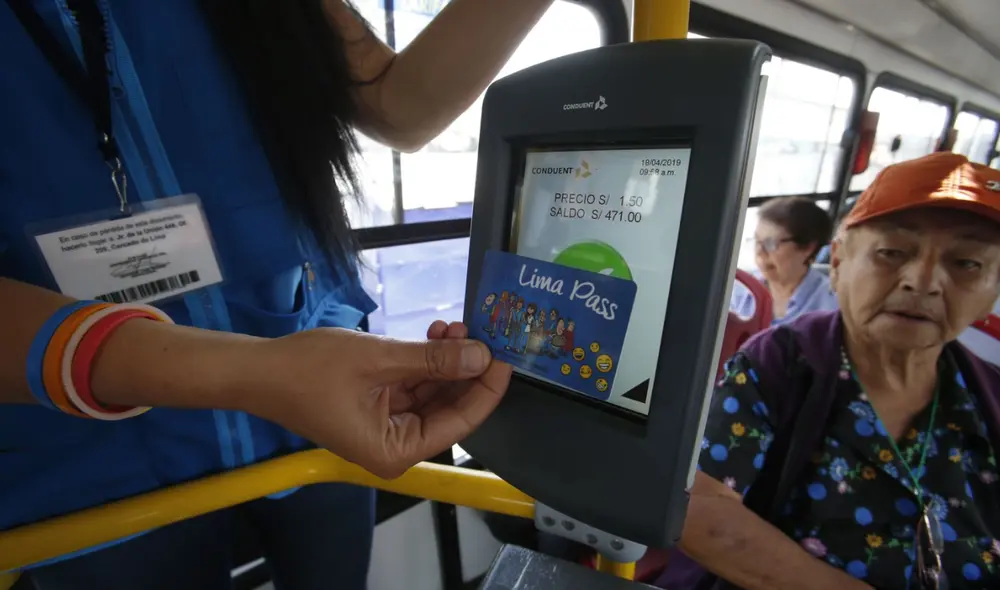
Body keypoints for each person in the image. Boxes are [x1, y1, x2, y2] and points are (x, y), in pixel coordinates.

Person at [1, 0, 560, 587]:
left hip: (318, 392)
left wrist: (274, 372)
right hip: (78, 451)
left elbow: (394, 102)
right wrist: (261, 374)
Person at [661, 153, 1000, 589]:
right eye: (892, 252)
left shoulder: (988, 398)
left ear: (992, 291)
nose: (925, 281)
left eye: (966, 263)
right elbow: (699, 507)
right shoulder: (780, 363)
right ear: (837, 263)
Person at [730, 196, 838, 324]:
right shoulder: (740, 292)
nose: (759, 252)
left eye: (771, 243)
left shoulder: (833, 304)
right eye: (757, 241)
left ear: (808, 248)